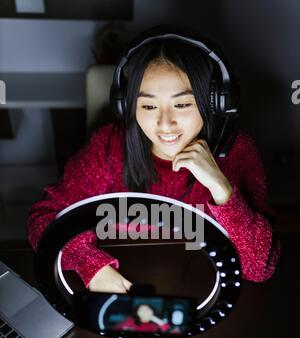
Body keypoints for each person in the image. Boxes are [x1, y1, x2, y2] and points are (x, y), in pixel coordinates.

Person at [26, 24, 281, 294]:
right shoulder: (109, 146)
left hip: (199, 293)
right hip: (122, 292)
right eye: (148, 106)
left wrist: (222, 189)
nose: (164, 123)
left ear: (213, 102)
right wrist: (91, 266)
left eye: (182, 104)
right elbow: (43, 218)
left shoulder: (238, 150)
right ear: (127, 106)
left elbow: (259, 267)